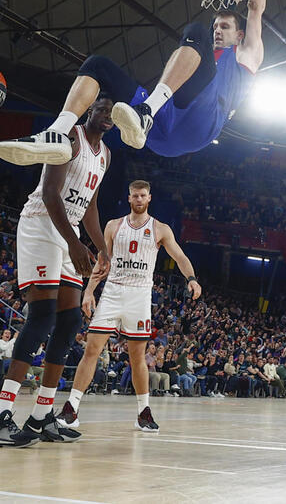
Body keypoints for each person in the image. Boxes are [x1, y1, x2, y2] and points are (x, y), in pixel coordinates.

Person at [0, 0, 271, 166]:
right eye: (217, 26)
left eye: (224, 27)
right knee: (97, 65)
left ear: (240, 36)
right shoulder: (201, 53)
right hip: (161, 133)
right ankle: (57, 132)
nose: (217, 31)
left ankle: (146, 111)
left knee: (195, 30)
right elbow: (205, 40)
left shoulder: (246, 56)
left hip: (199, 124)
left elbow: (255, 9)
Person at [0, 96, 113, 448]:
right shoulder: (69, 138)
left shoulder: (106, 155)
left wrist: (102, 249)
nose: (108, 116)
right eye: (103, 109)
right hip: (43, 223)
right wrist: (74, 243)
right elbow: (51, 194)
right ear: (90, 112)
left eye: (114, 112)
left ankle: (41, 414)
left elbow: (92, 206)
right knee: (42, 316)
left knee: (69, 322)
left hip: (71, 232)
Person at [57, 179, 201, 432]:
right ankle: (71, 407)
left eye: (142, 195)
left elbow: (179, 256)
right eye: (134, 195)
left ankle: (143, 412)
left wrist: (191, 279)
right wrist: (89, 291)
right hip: (112, 292)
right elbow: (102, 263)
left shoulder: (160, 229)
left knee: (137, 358)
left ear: (149, 198)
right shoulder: (113, 226)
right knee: (92, 350)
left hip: (140, 296)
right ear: (129, 197)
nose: (138, 199)